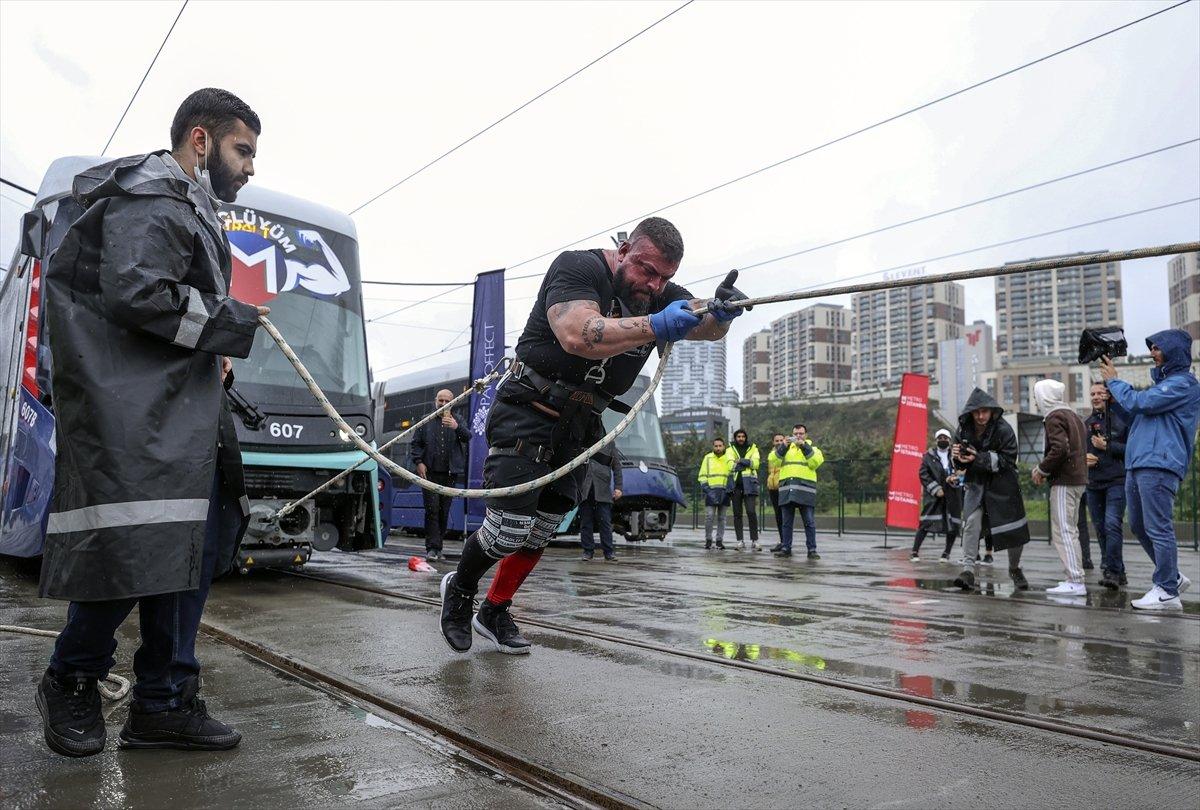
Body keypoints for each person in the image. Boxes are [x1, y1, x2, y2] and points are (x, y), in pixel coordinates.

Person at [36, 89, 265, 757]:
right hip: (143, 418)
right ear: (201, 140)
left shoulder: (180, 203)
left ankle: (163, 703)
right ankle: (71, 679)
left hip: (180, 411)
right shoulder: (154, 195)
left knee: (189, 546)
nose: (249, 167)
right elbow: (138, 292)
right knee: (137, 546)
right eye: (241, 149)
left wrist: (215, 351)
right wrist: (231, 324)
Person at [439, 217, 746, 654]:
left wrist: (722, 313)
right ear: (623, 250)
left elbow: (703, 324)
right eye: (645, 269)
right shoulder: (578, 269)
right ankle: (461, 587)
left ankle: (494, 608)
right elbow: (577, 333)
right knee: (508, 529)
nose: (653, 284)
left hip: (580, 427)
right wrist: (657, 325)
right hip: (529, 410)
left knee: (541, 530)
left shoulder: (658, 295)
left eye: (665, 278)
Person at [1100, 330, 1200, 610]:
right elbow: (1134, 413)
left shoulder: (1184, 384)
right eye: (1152, 348)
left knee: (1158, 527)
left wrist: (1115, 381)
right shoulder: (1163, 386)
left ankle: (1167, 589)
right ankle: (1172, 578)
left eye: (1157, 348)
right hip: (1140, 461)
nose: (1152, 353)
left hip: (1159, 463)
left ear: (1173, 352)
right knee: (1139, 526)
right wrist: (1114, 400)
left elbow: (1140, 402)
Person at [950, 389, 1031, 592]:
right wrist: (957, 457)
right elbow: (960, 466)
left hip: (1004, 486)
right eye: (976, 412)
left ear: (991, 411)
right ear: (970, 412)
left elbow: (1009, 459)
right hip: (977, 486)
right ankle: (968, 571)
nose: (980, 416)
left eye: (984, 411)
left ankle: (1014, 568)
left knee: (1013, 531)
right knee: (971, 524)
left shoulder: (1004, 429)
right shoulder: (963, 430)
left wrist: (978, 458)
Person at [1031, 379, 1090, 596]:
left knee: (1064, 530)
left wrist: (1042, 469)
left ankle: (1075, 579)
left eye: (1036, 396)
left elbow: (1059, 448)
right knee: (1071, 529)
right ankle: (1075, 577)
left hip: (1065, 479)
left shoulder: (1054, 416)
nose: (1036, 402)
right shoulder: (1074, 415)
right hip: (1079, 478)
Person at [410, 387, 470, 561]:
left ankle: (439, 547)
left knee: (444, 510)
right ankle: (432, 548)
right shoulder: (425, 420)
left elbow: (468, 437)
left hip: (450, 474)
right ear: (435, 401)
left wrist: (456, 427)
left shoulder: (458, 420)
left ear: (453, 402)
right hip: (430, 473)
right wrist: (419, 462)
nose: (443, 404)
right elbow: (415, 444)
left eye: (446, 401)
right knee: (432, 510)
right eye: (440, 400)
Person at [1085, 381, 1128, 590]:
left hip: (1117, 481)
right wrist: (1084, 458)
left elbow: (1132, 449)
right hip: (1093, 483)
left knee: (1112, 524)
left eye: (1099, 393)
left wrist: (1108, 446)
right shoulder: (1087, 423)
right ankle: (1117, 570)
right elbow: (1080, 451)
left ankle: (1111, 570)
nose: (1095, 397)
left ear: (1108, 395)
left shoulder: (1122, 419)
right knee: (1101, 528)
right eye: (1092, 393)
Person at [774, 424, 824, 559]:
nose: (798, 436)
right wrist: (783, 446)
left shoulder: (814, 449)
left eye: (801, 434)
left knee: (809, 522)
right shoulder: (786, 449)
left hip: (805, 490)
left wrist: (804, 446)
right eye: (795, 434)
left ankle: (812, 550)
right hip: (787, 490)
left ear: (806, 435)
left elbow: (815, 463)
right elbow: (774, 462)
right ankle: (786, 548)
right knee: (786, 523)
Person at [911, 429, 962, 563]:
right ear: (936, 440)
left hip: (952, 494)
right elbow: (923, 475)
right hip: (934, 495)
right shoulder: (928, 456)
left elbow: (962, 471)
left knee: (953, 524)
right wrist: (936, 489)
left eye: (945, 438)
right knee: (926, 523)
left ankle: (946, 553)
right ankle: (914, 552)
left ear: (950, 440)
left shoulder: (956, 456)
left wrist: (956, 479)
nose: (942, 440)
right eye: (940, 438)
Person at [579, 443, 623, 561]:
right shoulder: (582, 441)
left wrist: (618, 487)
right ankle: (588, 552)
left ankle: (609, 552)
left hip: (603, 491)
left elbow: (617, 467)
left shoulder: (609, 444)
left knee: (605, 524)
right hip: (585, 491)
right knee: (585, 524)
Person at [728, 428, 762, 551]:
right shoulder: (730, 449)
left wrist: (740, 461)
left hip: (750, 485)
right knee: (737, 515)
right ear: (735, 438)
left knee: (751, 512)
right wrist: (747, 463)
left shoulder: (753, 448)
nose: (741, 438)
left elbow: (756, 464)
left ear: (745, 437)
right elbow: (730, 465)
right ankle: (740, 541)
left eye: (743, 436)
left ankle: (754, 540)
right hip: (735, 486)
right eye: (738, 436)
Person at [698, 437, 735, 550]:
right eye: (716, 446)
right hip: (711, 491)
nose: (718, 448)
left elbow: (733, 474)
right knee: (709, 517)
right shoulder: (707, 458)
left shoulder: (729, 458)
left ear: (724, 446)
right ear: (713, 447)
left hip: (725, 492)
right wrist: (707, 489)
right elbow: (702, 475)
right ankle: (708, 540)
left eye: (720, 446)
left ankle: (719, 541)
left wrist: (730, 488)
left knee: (722, 518)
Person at [767, 433, 786, 551]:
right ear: (773, 442)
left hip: (783, 487)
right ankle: (782, 540)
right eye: (776, 441)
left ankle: (786, 542)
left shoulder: (787, 453)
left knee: (785, 517)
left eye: (781, 440)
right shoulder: (771, 454)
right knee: (778, 516)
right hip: (773, 488)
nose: (779, 442)